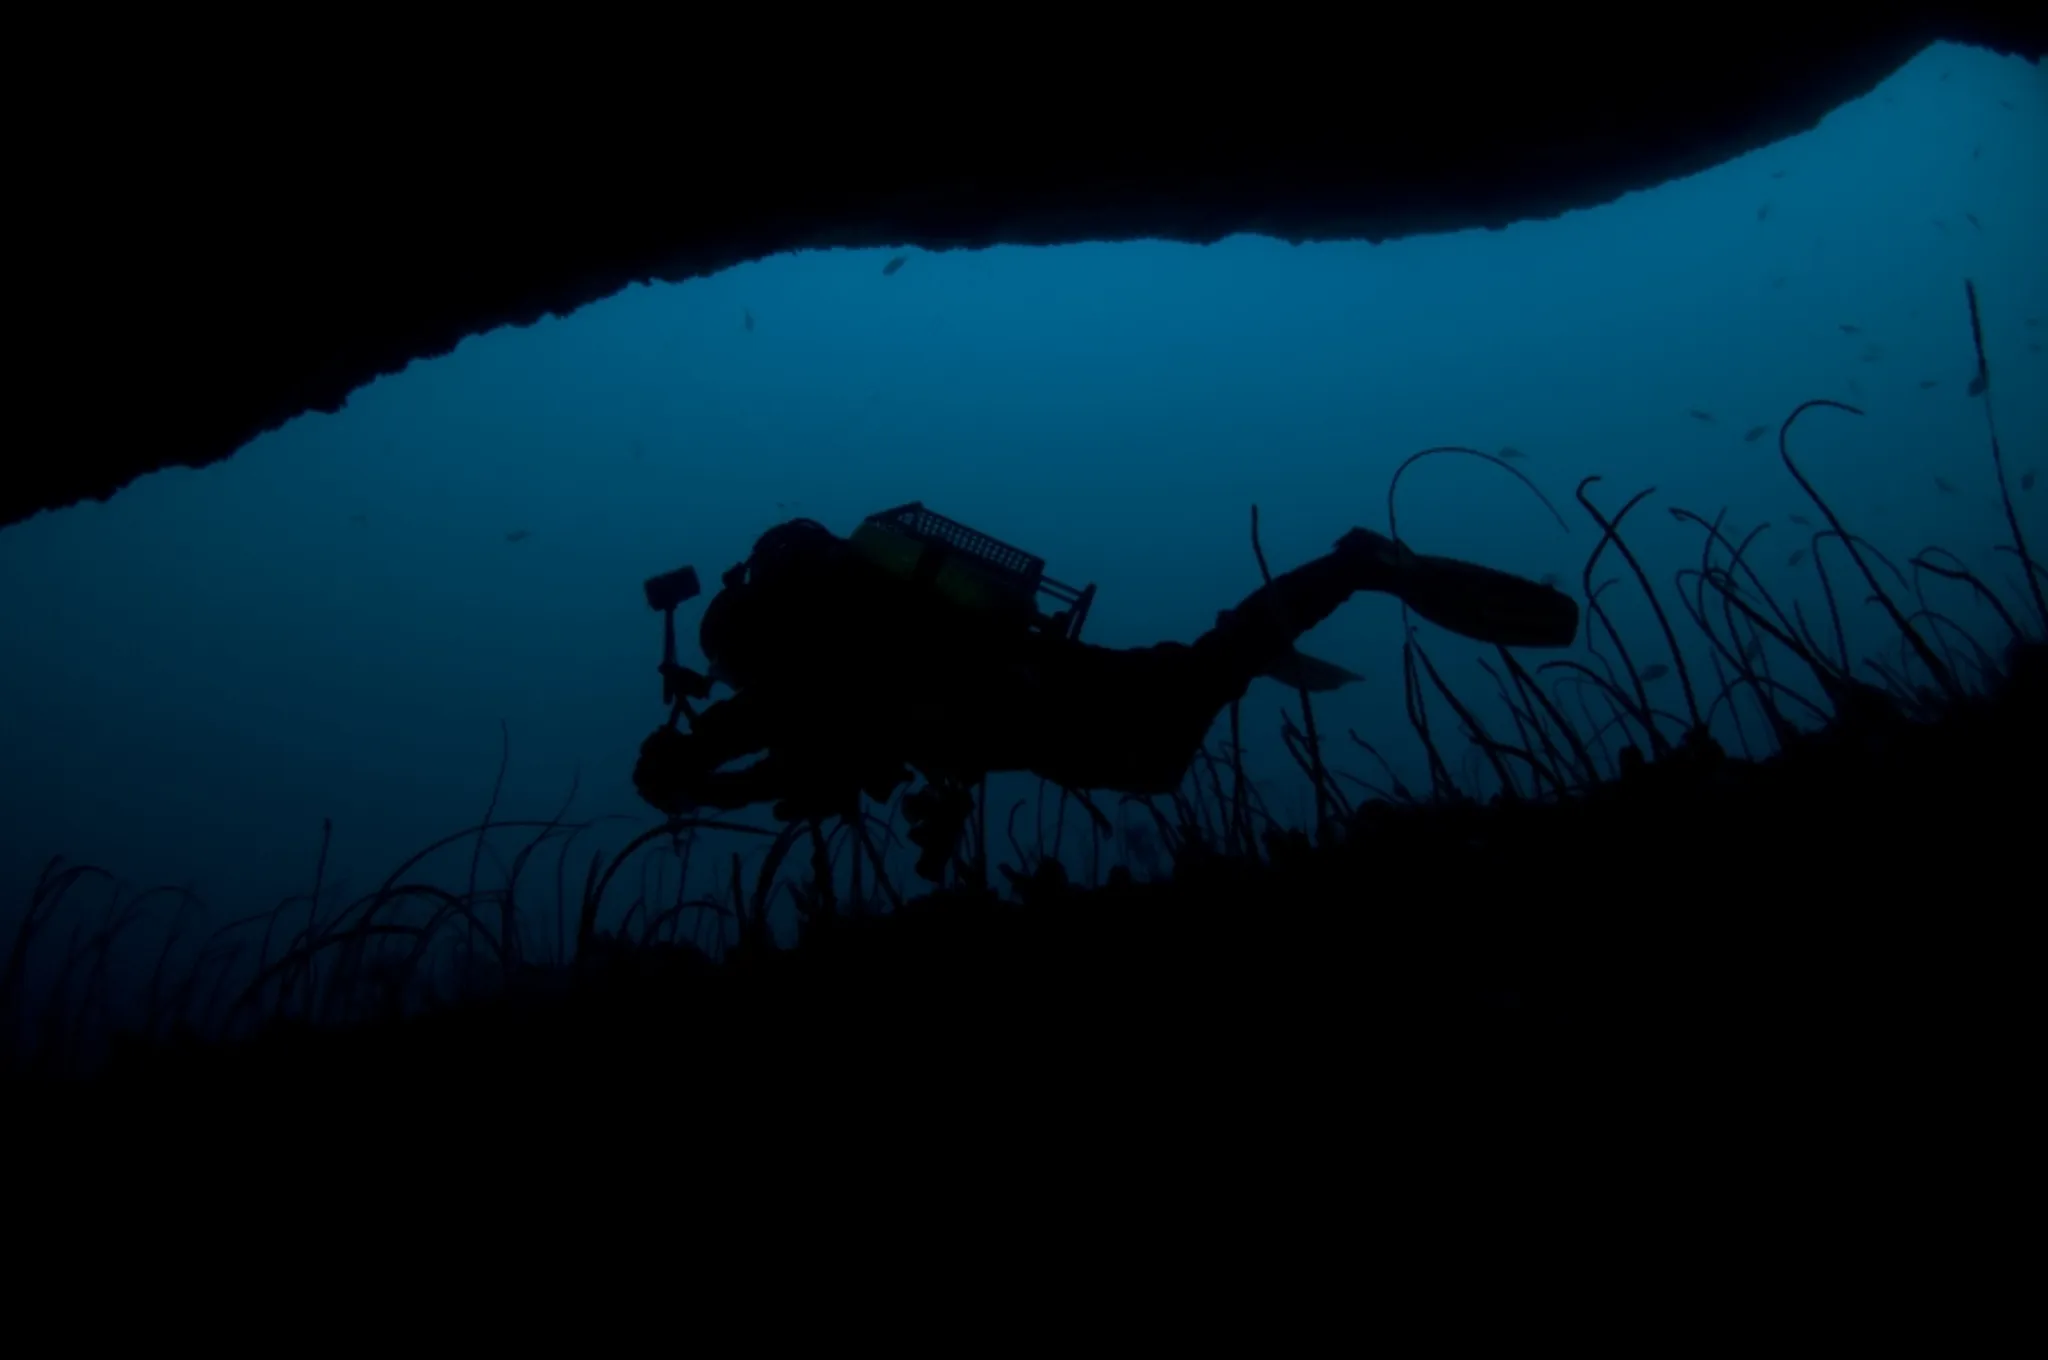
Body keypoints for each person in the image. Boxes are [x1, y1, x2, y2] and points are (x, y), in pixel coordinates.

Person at [631, 510, 1579, 853]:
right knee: (1196, 686)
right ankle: (1350, 571)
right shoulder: (837, 677)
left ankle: (1355, 565)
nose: (732, 680)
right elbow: (810, 753)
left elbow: (785, 728)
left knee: (1193, 686)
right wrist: (708, 772)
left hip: (1053, 701)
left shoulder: (824, 669)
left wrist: (693, 764)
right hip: (1046, 699)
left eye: (730, 666)